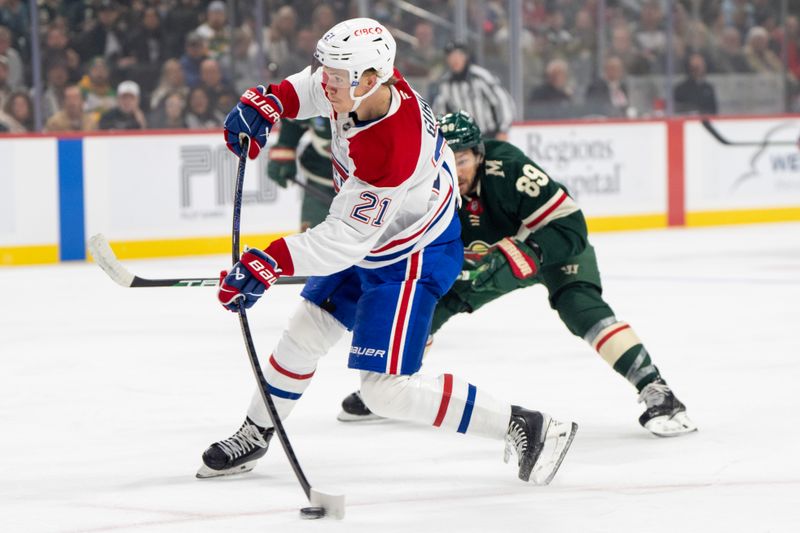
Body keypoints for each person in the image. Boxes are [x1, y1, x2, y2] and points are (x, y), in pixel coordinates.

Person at [197, 18, 577, 485]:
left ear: (373, 79)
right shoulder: (360, 86)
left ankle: (526, 425)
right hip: (377, 238)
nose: (326, 81)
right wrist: (273, 100)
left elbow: (344, 238)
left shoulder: (392, 145)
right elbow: (307, 88)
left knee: (385, 392)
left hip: (411, 257)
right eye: (329, 71)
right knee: (303, 334)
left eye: (337, 76)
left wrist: (271, 260)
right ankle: (256, 433)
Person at [339, 111, 697, 439]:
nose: (454, 169)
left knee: (582, 309)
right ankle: (390, 387)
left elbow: (572, 226)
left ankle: (658, 391)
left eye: (461, 159)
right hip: (490, 262)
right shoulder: (428, 184)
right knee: (430, 305)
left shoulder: (507, 168)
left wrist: (532, 252)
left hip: (550, 247)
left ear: (479, 155)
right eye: (447, 160)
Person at [431, 42, 514, 140]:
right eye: (451, 56)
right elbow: (439, 111)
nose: (454, 60)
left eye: (458, 55)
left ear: (465, 57)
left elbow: (502, 100)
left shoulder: (481, 77)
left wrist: (503, 129)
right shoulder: (445, 83)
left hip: (489, 135)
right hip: (464, 139)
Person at [267, 117, 334, 231]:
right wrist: (285, 147)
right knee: (312, 244)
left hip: (367, 186)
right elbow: (295, 119)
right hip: (320, 180)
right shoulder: (318, 100)